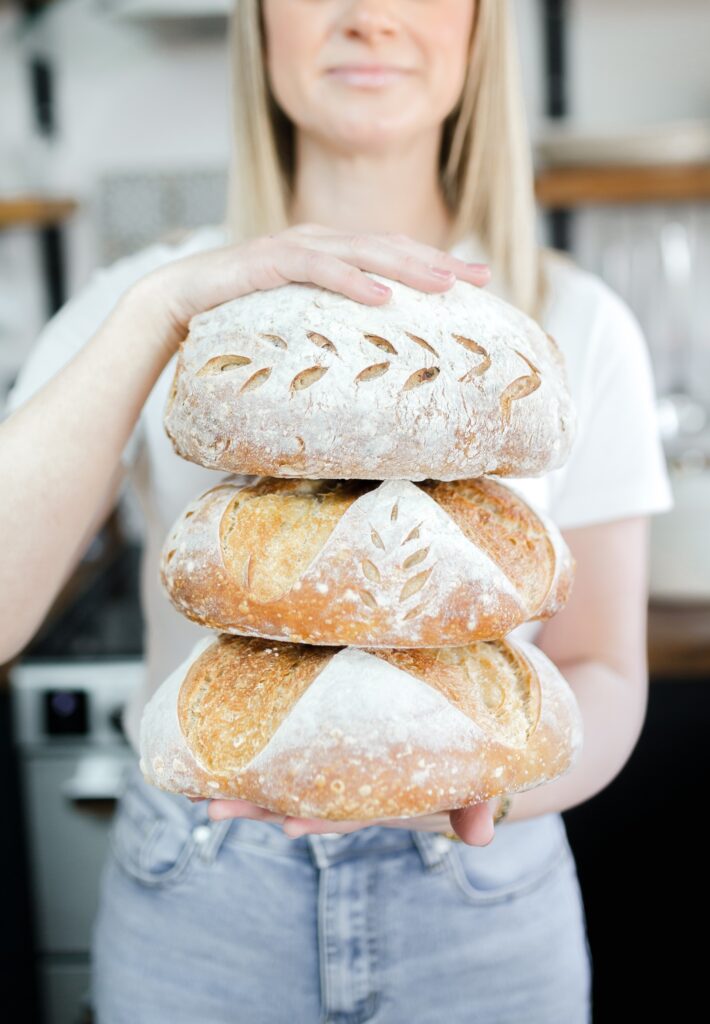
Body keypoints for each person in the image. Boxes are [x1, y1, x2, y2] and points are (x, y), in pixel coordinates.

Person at [1, 2, 672, 1021]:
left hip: (480, 915)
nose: (370, 17)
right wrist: (157, 314)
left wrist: (467, 788)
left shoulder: (563, 330)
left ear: (479, 29)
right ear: (259, 21)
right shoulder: (150, 301)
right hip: (202, 908)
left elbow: (603, 667)